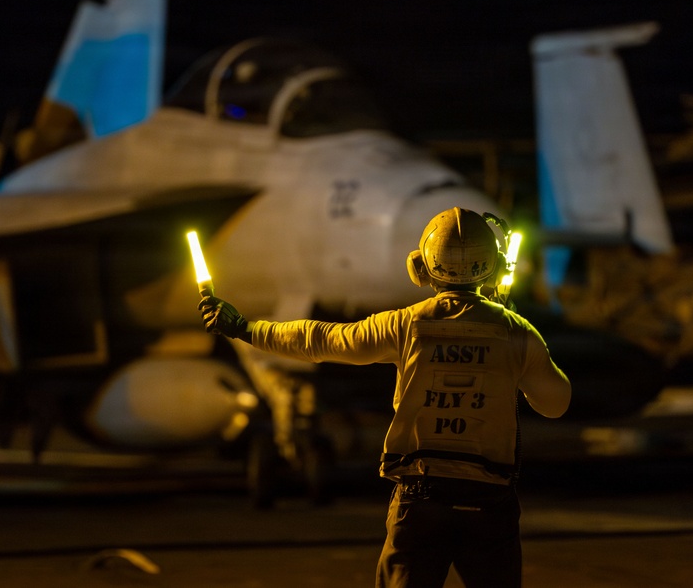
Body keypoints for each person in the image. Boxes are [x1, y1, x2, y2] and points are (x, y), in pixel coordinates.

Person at [199, 206, 570, 588]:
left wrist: (245, 328)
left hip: (420, 498)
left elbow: (320, 339)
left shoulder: (404, 324)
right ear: (494, 267)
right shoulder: (517, 332)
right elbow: (555, 405)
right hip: (489, 501)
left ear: (420, 267)